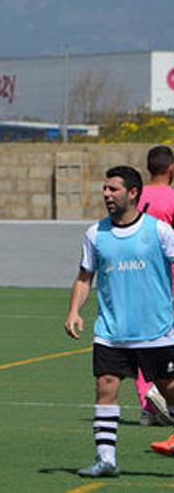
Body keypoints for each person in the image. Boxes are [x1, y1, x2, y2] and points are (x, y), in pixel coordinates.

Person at [65, 165, 174, 477]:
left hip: (157, 331)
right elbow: (85, 277)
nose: (107, 195)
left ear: (133, 193)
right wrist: (74, 311)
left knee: (170, 390)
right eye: (105, 189)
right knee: (106, 386)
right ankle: (106, 460)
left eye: (113, 189)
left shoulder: (159, 231)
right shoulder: (95, 233)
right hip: (111, 332)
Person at [134, 146, 174, 430]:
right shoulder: (172, 198)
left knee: (142, 341)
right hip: (167, 280)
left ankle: (149, 404)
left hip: (135, 278)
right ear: (171, 169)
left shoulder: (134, 195)